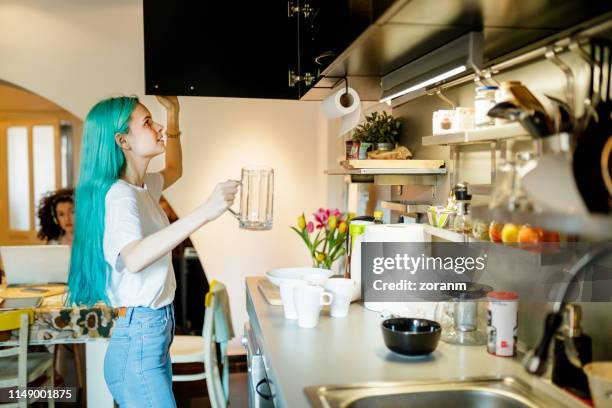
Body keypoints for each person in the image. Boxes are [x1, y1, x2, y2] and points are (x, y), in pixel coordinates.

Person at [67, 95, 238, 407]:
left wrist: (173, 116)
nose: (156, 126)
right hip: (139, 337)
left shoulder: (141, 189)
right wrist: (204, 212)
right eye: (147, 123)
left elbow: (174, 168)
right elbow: (133, 258)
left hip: (146, 333)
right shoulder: (120, 196)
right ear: (123, 141)